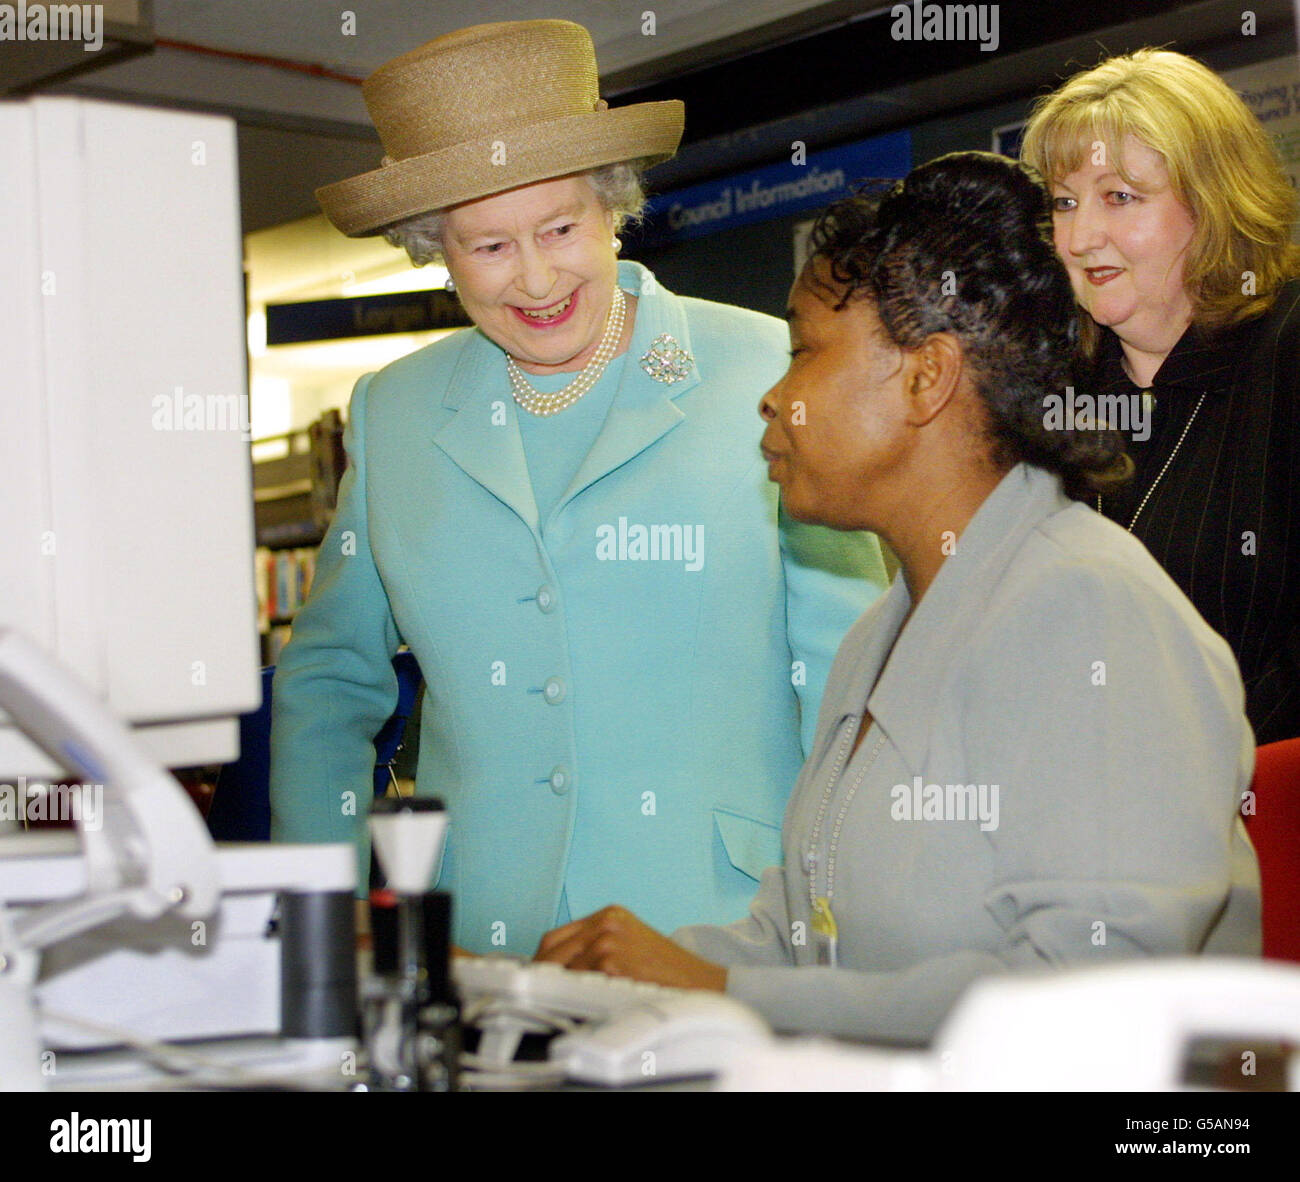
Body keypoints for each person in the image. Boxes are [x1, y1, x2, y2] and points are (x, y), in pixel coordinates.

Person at [535, 152, 1261, 1044]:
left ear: (927, 377)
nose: (774, 396)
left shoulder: (1094, 612)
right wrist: (604, 979)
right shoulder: (884, 629)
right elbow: (799, 938)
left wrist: (722, 994)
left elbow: (1091, 998)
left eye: (803, 350)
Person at [269, 20, 886, 955]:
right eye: (488, 247)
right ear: (434, 247)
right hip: (481, 945)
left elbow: (852, 680)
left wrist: (837, 921)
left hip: (720, 932)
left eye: (560, 228)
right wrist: (327, 908)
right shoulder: (393, 413)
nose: (537, 276)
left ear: (612, 206)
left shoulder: (766, 371)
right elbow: (327, 682)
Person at [1021, 48, 1300, 743]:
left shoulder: (1286, 355)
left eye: (1121, 197)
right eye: (1064, 202)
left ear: (1214, 202)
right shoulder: (1045, 403)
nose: (1082, 237)